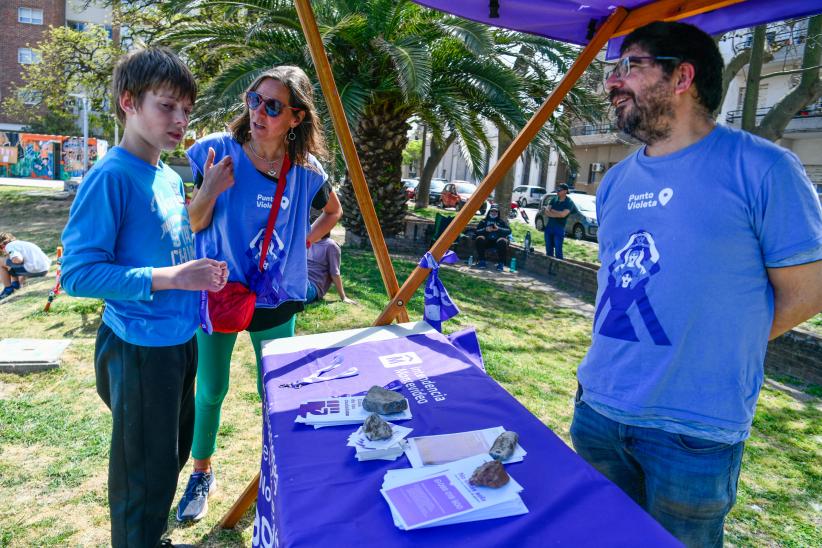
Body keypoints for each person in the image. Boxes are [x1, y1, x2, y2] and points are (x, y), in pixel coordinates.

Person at [570, 22, 822, 548]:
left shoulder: (765, 167)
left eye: (630, 67)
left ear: (682, 76)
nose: (611, 84)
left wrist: (708, 346)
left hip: (693, 430)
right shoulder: (615, 180)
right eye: (612, 70)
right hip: (598, 410)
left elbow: (806, 294)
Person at [60, 48, 228, 548]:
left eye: (186, 109)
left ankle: (152, 537)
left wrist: (196, 274)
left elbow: (168, 243)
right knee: (142, 478)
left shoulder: (170, 176)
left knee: (168, 459)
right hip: (138, 349)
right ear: (128, 102)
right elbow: (79, 275)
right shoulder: (111, 176)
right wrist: (175, 278)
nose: (180, 120)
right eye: (167, 106)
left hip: (180, 341)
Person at [177, 65, 342, 522]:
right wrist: (209, 189)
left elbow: (333, 211)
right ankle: (201, 473)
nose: (259, 112)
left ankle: (278, 473)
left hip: (276, 297)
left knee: (278, 392)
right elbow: (193, 222)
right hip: (221, 291)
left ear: (296, 117)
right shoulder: (216, 151)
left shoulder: (306, 171)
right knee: (211, 389)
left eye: (273, 106)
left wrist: (301, 243)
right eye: (254, 99)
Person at [305, 232, 355, 304]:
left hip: (312, 287)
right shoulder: (307, 242)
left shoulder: (331, 246)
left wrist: (343, 297)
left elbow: (334, 273)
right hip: (301, 281)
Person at [0, 232, 50, 300]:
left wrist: (11, 259)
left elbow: (18, 259)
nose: (2, 251)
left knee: (1, 261)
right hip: (44, 269)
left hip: (35, 269)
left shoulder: (9, 246)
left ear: (2, 244)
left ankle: (8, 288)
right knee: (9, 262)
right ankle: (15, 284)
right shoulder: (21, 244)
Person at [543, 183, 578, 259]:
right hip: (549, 227)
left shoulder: (569, 202)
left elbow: (563, 215)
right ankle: (548, 268)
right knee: (548, 249)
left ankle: (558, 268)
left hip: (559, 228)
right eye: (557, 190)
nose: (557, 191)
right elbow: (546, 211)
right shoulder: (554, 199)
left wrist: (552, 211)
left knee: (558, 250)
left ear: (565, 191)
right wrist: (556, 213)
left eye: (559, 190)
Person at [473, 204, 511, 271]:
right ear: (489, 212)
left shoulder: (501, 222)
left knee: (502, 241)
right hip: (486, 241)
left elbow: (509, 231)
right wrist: (485, 229)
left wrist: (498, 229)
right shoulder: (484, 221)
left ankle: (501, 264)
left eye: (496, 211)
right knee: (480, 239)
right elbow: (476, 231)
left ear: (498, 213)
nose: (494, 213)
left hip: (497, 242)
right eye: (492, 211)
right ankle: (482, 261)